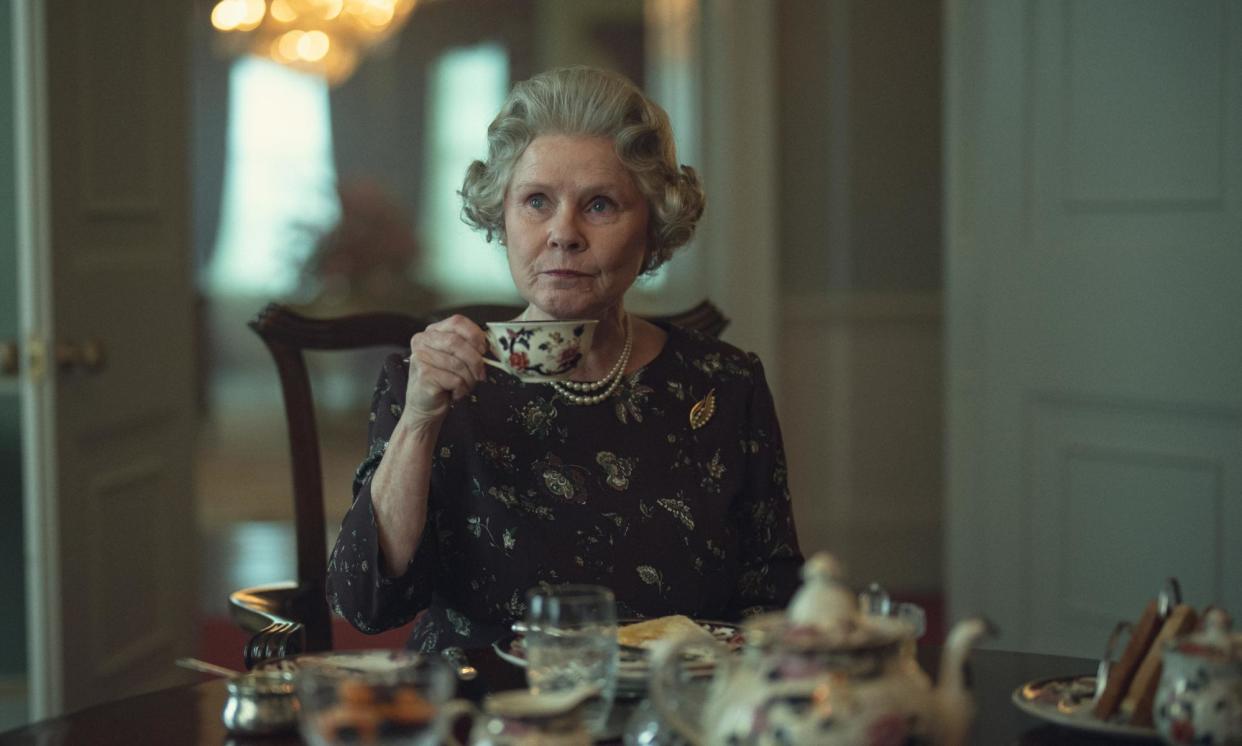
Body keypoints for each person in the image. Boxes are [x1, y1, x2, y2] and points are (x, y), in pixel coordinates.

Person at [326, 66, 803, 652]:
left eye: (600, 205)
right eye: (536, 202)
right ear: (501, 217)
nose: (563, 233)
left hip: (670, 713)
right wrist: (420, 420)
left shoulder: (725, 385)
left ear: (652, 227)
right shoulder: (427, 380)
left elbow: (772, 598)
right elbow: (370, 606)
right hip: (487, 715)